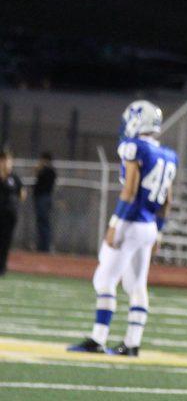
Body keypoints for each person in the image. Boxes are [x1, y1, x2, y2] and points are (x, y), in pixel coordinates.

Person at [67, 101, 177, 356]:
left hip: (131, 222)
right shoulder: (169, 155)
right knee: (137, 286)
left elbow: (129, 191)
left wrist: (115, 224)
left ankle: (98, 338)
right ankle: (132, 343)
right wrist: (158, 231)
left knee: (104, 279)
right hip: (149, 226)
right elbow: (167, 200)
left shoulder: (133, 148)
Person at [0, 149, 26, 275]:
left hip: (9, 214)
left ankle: (2, 267)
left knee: (5, 241)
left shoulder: (14, 178)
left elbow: (22, 194)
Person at [32, 152, 56, 252]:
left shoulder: (47, 171)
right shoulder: (51, 171)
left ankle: (44, 246)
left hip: (43, 198)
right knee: (42, 222)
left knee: (43, 222)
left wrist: (39, 168)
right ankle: (42, 245)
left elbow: (39, 178)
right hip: (44, 198)